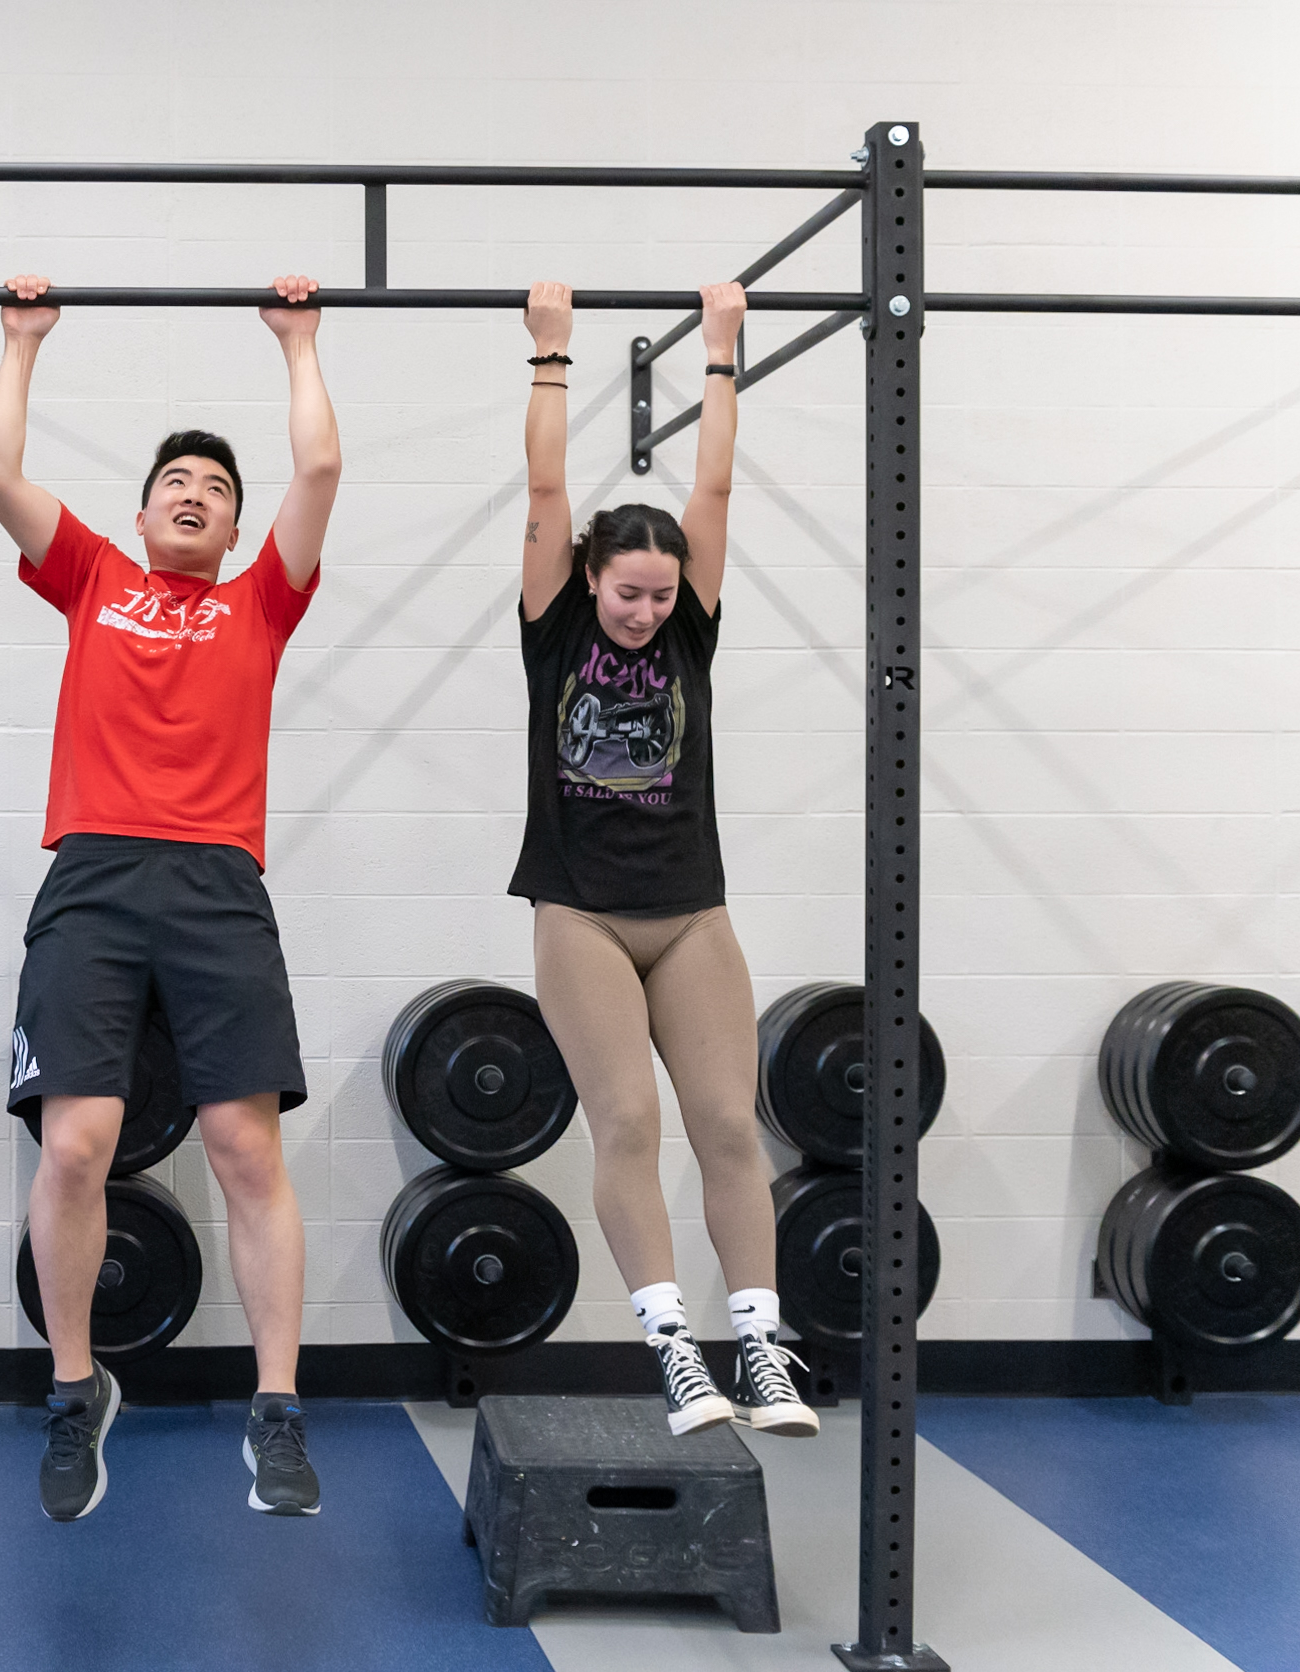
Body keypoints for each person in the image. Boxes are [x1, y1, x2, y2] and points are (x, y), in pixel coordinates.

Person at [0, 272, 341, 1520]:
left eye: (217, 492)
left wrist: (296, 343)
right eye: (176, 484)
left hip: (213, 883)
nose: (196, 495)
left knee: (244, 1145)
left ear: (236, 533)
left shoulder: (258, 604)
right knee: (74, 1143)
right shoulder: (89, 579)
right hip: (90, 872)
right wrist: (21, 343)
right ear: (138, 513)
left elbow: (323, 471)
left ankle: (277, 1408)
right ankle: (76, 1389)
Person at [509, 279, 816, 1439]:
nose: (643, 610)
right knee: (626, 1124)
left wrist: (723, 352)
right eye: (626, 592)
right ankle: (674, 1348)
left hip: (689, 911)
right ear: (588, 579)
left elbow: (713, 484)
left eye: (658, 592)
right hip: (580, 909)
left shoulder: (690, 618)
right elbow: (545, 486)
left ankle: (759, 1346)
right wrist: (551, 355)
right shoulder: (553, 629)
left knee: (729, 1126)